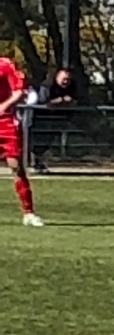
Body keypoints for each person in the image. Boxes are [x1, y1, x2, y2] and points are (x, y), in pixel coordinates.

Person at [0, 57, 44, 226]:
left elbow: (19, 91)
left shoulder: (6, 65)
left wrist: (4, 106)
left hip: (5, 122)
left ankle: (29, 213)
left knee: (16, 166)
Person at [33, 66, 78, 173]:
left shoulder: (72, 86)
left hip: (57, 119)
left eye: (68, 79)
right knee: (38, 142)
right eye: (64, 79)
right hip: (41, 119)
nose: (66, 82)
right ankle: (35, 162)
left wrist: (69, 102)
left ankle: (39, 162)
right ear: (57, 77)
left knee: (48, 142)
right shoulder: (47, 85)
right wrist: (59, 101)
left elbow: (76, 101)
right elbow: (42, 102)